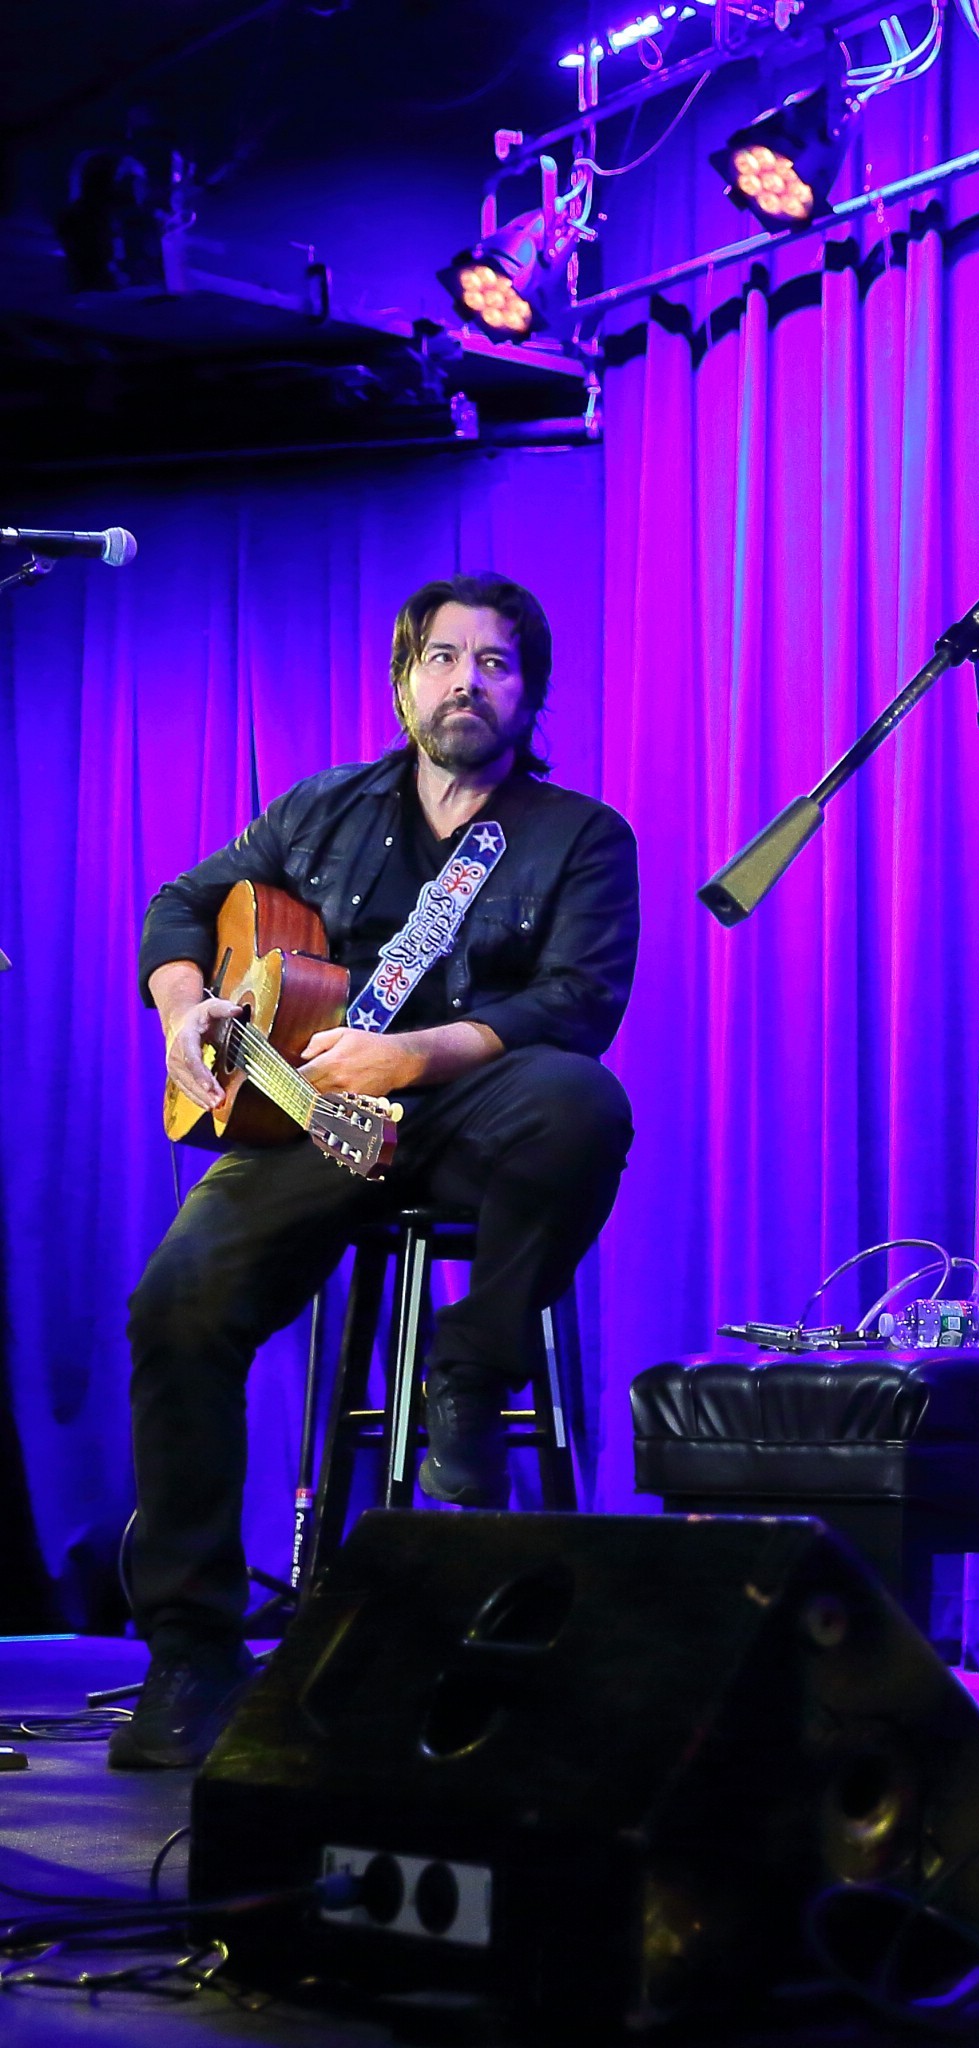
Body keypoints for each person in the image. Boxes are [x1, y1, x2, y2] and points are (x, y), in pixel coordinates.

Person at [115, 573, 638, 1770]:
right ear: (405, 683)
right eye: (443, 658)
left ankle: (472, 1366)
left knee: (582, 1101)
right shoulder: (324, 809)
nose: (467, 682)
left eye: (495, 663)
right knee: (174, 1306)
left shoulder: (580, 835)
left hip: (475, 1109)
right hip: (309, 1117)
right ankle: (191, 1647)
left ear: (529, 693)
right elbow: (184, 902)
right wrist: (186, 1005)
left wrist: (412, 1052)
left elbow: (579, 1002)